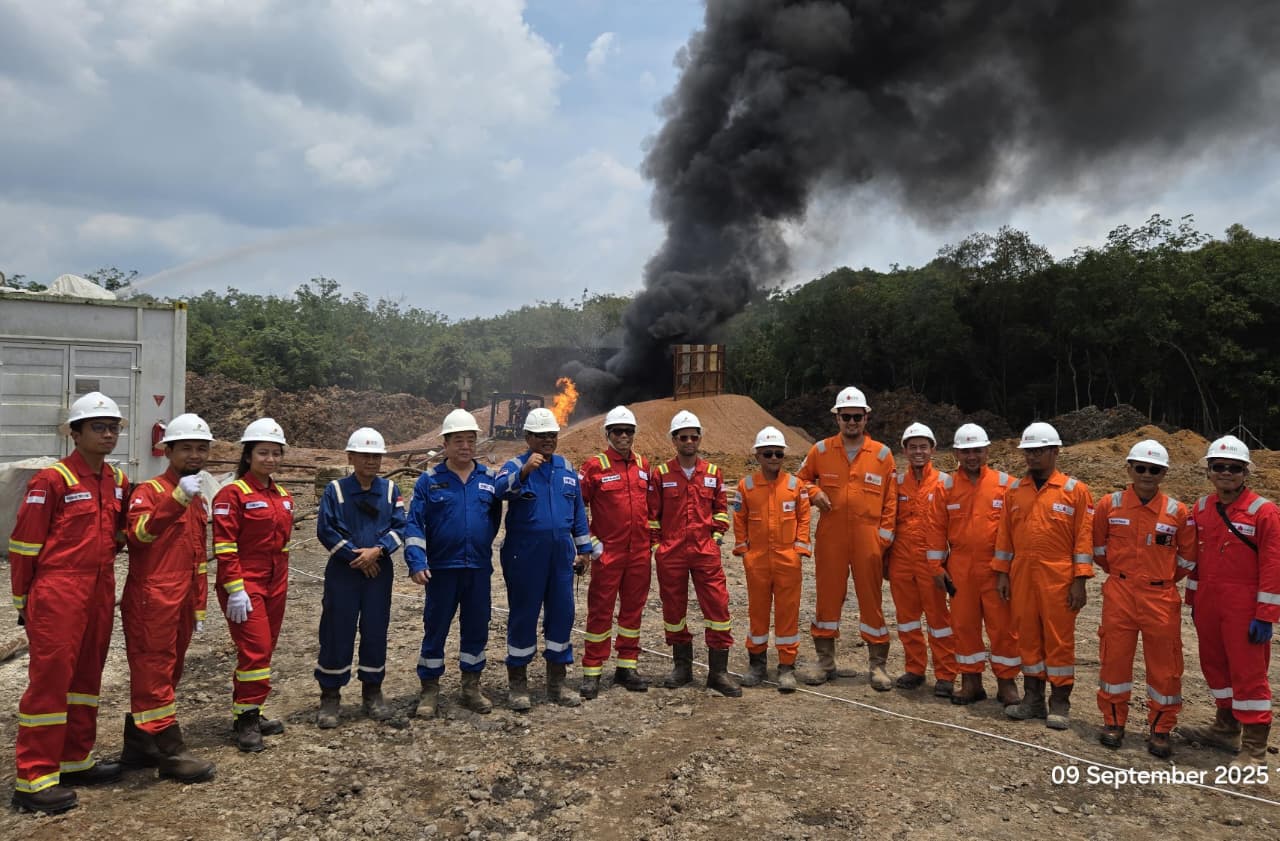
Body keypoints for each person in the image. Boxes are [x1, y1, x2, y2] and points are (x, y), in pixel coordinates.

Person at [8, 392, 130, 814]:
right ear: (75, 434)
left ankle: (75, 759)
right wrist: (24, 600)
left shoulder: (117, 480)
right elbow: (24, 546)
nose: (108, 434)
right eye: (98, 427)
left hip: (99, 588)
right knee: (50, 682)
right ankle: (34, 778)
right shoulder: (52, 480)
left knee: (87, 677)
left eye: (113, 427)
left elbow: (120, 533)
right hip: (59, 590)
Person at [120, 413, 217, 783]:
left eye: (201, 448)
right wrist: (176, 499)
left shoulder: (197, 498)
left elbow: (196, 556)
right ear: (168, 451)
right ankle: (171, 752)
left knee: (168, 670)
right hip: (152, 599)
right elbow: (139, 536)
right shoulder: (149, 492)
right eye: (186, 448)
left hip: (182, 599)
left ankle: (139, 744)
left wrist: (199, 604)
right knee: (154, 671)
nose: (195, 455)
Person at [1179, 435, 1280, 768]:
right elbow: (1196, 558)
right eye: (1219, 466)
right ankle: (1225, 728)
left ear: (1245, 472)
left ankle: (1254, 748)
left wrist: (1265, 614)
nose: (1226, 473)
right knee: (1215, 666)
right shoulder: (1201, 508)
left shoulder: (1264, 512)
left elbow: (1273, 565)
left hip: (1244, 605)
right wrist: (1193, 599)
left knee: (1248, 673)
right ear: (1209, 470)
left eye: (1234, 468)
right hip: (1209, 601)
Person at [1092, 440, 1196, 758]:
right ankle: (1113, 721)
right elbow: (1099, 550)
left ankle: (1161, 728)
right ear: (1130, 469)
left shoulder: (1178, 512)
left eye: (1154, 470)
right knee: (1114, 659)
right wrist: (1123, 575)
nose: (1147, 474)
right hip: (1120, 593)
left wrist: (1161, 579)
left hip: (1160, 597)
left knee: (1166, 666)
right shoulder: (1109, 505)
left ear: (1164, 473)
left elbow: (1187, 560)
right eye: (1141, 468)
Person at [994, 422, 1094, 729]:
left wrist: (1079, 580)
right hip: (1022, 573)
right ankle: (1033, 699)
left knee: (1058, 640)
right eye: (1029, 451)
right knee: (1027, 637)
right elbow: (1005, 536)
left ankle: (1059, 702)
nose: (1032, 456)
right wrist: (1002, 574)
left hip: (1058, 576)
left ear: (1055, 451)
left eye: (1039, 451)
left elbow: (1083, 539)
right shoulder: (1014, 491)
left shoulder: (1074, 491)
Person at [796, 387, 897, 689]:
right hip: (832, 538)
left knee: (871, 600)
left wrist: (882, 540)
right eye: (846, 417)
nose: (851, 422)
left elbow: (891, 501)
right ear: (837, 418)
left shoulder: (882, 454)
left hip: (869, 539)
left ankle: (877, 666)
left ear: (866, 418)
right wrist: (814, 492)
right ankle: (825, 662)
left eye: (857, 417)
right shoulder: (821, 450)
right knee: (827, 598)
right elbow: (799, 481)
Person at [405, 409, 501, 717]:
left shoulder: (488, 479)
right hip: (441, 570)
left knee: (476, 627)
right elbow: (414, 523)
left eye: (470, 440)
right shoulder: (429, 481)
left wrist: (478, 545)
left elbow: (493, 520)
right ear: (445, 444)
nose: (465, 446)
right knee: (435, 628)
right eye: (458, 440)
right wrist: (416, 561)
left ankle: (471, 687)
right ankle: (429, 690)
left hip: (477, 569)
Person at [495, 407, 593, 710]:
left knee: (562, 614)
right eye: (541, 436)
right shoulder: (515, 465)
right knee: (523, 615)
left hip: (561, 554)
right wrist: (525, 472)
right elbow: (499, 491)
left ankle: (557, 683)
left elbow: (578, 512)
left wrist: (584, 550)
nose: (548, 440)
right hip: (524, 554)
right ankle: (518, 684)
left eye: (552, 435)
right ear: (528, 438)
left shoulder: (567, 469)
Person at [314, 427, 407, 728]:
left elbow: (400, 527)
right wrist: (357, 557)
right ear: (350, 457)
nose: (371, 461)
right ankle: (330, 696)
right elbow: (326, 529)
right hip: (344, 571)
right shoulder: (336, 491)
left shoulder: (390, 491)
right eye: (364, 455)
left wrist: (377, 551)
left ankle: (372, 691)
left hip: (378, 571)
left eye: (376, 456)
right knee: (336, 629)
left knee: (375, 629)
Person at [212, 418, 294, 752]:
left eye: (276, 453)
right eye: (263, 453)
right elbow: (224, 545)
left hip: (276, 583)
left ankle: (250, 710)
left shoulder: (283, 495)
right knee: (254, 650)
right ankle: (246, 720)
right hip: (246, 584)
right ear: (248, 455)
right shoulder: (232, 494)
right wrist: (235, 588)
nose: (270, 459)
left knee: (264, 649)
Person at [649, 410, 741, 697]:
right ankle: (682, 667)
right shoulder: (661, 474)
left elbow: (721, 510)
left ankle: (718, 672)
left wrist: (716, 538)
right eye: (683, 437)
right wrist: (658, 547)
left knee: (718, 608)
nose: (689, 441)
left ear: (700, 439)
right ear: (674, 440)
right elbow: (652, 515)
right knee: (673, 609)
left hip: (705, 551)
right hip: (672, 552)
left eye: (693, 436)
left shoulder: (713, 472)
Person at [926, 423, 1019, 706]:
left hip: (996, 567)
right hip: (960, 567)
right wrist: (936, 567)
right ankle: (971, 681)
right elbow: (935, 529)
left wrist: (1009, 568)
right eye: (965, 452)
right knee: (964, 625)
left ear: (987, 451)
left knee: (1003, 627)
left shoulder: (1007, 485)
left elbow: (1016, 530)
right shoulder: (946, 487)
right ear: (956, 453)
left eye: (977, 450)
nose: (971, 457)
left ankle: (1006, 682)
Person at [578, 406, 653, 700]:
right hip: (608, 553)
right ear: (608, 434)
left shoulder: (644, 465)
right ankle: (592, 671)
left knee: (633, 611)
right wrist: (591, 543)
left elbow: (653, 508)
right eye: (618, 431)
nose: (624, 436)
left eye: (628, 431)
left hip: (639, 554)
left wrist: (653, 543)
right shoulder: (594, 466)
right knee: (600, 611)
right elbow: (577, 508)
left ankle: (627, 667)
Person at [731, 426, 812, 693]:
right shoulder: (746, 486)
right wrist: (744, 551)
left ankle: (787, 667)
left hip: (788, 560)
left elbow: (804, 518)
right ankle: (757, 664)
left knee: (788, 613)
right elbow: (739, 519)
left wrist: (799, 550)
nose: (774, 458)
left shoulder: (795, 485)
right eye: (768, 453)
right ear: (758, 456)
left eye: (778, 453)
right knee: (758, 612)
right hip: (757, 561)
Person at [886, 423, 957, 697]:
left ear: (933, 450)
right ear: (904, 451)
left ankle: (946, 674)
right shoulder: (896, 483)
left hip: (932, 563)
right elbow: (888, 520)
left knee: (939, 620)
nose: (918, 451)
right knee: (907, 620)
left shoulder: (945, 482)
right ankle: (915, 669)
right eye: (913, 447)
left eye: (923, 447)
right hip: (901, 561)